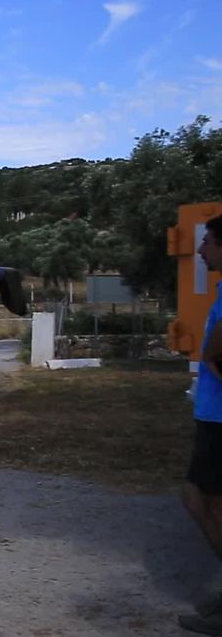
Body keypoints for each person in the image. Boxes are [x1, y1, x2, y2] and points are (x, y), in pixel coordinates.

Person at [181, 215, 222, 635]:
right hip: (212, 414)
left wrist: (210, 359)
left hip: (219, 418)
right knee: (202, 500)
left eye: (208, 241)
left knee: (202, 501)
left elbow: (215, 354)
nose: (200, 249)